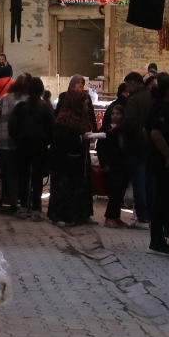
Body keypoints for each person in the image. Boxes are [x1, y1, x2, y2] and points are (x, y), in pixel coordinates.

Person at [49, 76, 97, 225]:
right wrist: (81, 139)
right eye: (84, 102)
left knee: (78, 186)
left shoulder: (80, 118)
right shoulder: (64, 119)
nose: (86, 104)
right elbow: (61, 140)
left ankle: (79, 214)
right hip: (65, 161)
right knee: (64, 187)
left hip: (78, 159)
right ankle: (60, 216)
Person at [145, 75, 169, 256]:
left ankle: (159, 239)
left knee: (164, 200)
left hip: (162, 160)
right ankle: (156, 240)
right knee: (161, 200)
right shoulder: (163, 109)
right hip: (163, 163)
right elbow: (155, 134)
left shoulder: (165, 107)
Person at [8, 76, 53, 220]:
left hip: (22, 146)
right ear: (41, 91)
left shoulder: (20, 107)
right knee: (37, 178)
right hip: (40, 147)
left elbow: (12, 127)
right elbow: (52, 129)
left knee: (23, 176)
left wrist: (18, 139)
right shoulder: (46, 107)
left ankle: (23, 207)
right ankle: (36, 209)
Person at [117, 71, 153, 226]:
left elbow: (130, 122)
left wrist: (117, 129)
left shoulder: (133, 100)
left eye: (127, 86)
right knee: (150, 183)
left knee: (138, 183)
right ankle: (151, 216)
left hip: (136, 146)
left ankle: (142, 218)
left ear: (132, 83)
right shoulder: (151, 97)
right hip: (151, 145)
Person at [99, 80, 135, 228]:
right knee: (114, 192)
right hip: (112, 165)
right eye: (113, 113)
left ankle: (116, 216)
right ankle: (109, 217)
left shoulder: (123, 130)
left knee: (119, 191)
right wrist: (105, 163)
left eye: (118, 114)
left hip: (121, 164)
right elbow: (101, 147)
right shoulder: (107, 130)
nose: (114, 116)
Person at [0, 73, 28, 213]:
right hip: (24, 144)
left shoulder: (5, 98)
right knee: (23, 172)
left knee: (9, 172)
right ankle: (24, 200)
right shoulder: (31, 100)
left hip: (5, 142)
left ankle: (12, 201)